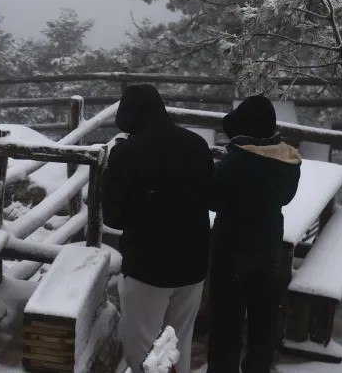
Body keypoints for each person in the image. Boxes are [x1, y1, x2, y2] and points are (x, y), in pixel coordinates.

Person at [102, 84, 215, 373]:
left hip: (148, 267)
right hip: (193, 264)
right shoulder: (196, 144)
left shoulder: (127, 152)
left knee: (143, 352)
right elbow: (210, 197)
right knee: (178, 343)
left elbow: (112, 217)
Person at [207, 95, 302, 373]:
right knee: (264, 320)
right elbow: (282, 198)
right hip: (269, 246)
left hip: (232, 248)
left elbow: (214, 199)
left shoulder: (236, 163)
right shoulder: (287, 163)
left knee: (226, 321)